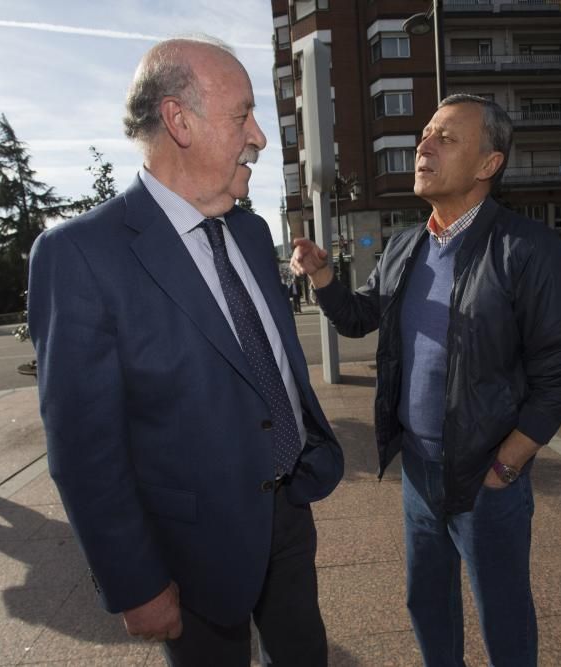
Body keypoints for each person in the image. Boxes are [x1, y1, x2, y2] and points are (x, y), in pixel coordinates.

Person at [27, 37, 343, 667]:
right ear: (179, 120)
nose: (258, 134)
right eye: (242, 115)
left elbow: (267, 364)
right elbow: (84, 446)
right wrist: (136, 582)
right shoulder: (81, 255)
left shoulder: (252, 232)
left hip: (286, 509)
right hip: (188, 548)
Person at [291, 94, 561, 666]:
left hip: (487, 473)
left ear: (487, 164)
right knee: (427, 601)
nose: (423, 146)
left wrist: (508, 464)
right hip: (418, 471)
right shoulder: (406, 245)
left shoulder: (527, 249)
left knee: (502, 612)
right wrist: (325, 275)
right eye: (425, 134)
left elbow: (560, 375)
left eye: (446, 138)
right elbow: (359, 318)